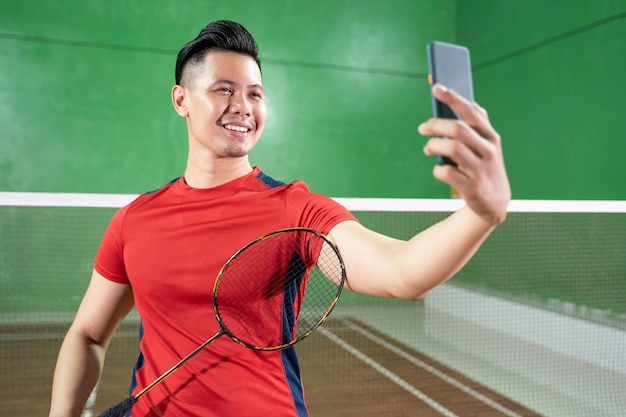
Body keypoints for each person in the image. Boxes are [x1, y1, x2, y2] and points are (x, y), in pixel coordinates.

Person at [49, 20, 510, 417]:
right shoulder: (134, 220)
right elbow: (88, 332)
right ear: (181, 100)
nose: (242, 107)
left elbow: (402, 273)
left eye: (255, 94)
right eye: (223, 90)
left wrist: (481, 214)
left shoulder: (295, 210)